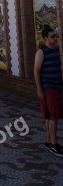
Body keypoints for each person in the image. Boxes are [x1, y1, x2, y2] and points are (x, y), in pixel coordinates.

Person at [34, 26, 63, 157]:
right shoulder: (41, 52)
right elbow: (36, 70)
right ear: (46, 38)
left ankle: (48, 141)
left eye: (55, 36)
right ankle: (54, 144)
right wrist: (39, 89)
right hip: (48, 88)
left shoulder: (57, 50)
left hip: (57, 87)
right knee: (53, 116)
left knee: (49, 115)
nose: (55, 38)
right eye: (52, 36)